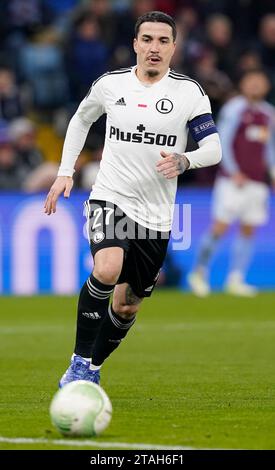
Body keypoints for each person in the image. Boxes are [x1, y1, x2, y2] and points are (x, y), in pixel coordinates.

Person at [44, 11, 221, 387]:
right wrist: (65, 171)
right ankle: (77, 363)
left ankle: (92, 367)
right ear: (135, 44)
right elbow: (80, 120)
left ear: (174, 47)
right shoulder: (111, 84)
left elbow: (214, 148)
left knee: (126, 306)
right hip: (111, 196)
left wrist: (185, 158)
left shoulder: (188, 92)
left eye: (162, 41)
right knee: (107, 268)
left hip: (156, 215)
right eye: (147, 40)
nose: (154, 48)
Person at [188, 69, 275, 297]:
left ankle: (236, 278)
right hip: (232, 181)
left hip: (257, 183)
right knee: (220, 226)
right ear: (243, 84)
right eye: (251, 81)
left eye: (260, 81)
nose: (256, 85)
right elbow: (222, 142)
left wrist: (272, 173)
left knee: (248, 228)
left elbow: (269, 149)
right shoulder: (234, 108)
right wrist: (233, 171)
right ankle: (198, 272)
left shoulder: (268, 113)